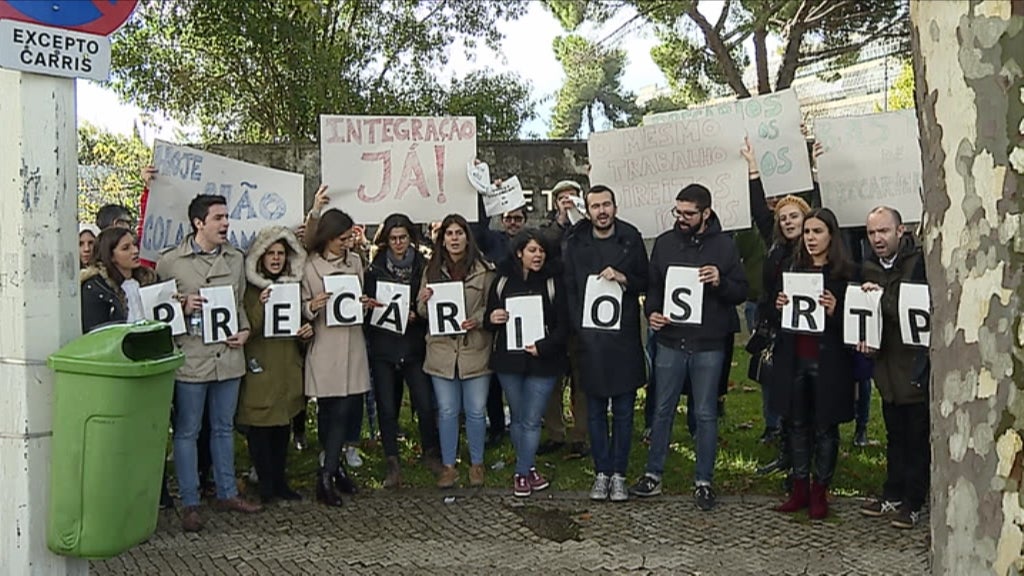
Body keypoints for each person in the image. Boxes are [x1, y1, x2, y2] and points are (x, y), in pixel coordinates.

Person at [633, 184, 748, 511]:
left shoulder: (725, 246)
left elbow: (742, 291)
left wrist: (720, 281)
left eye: (688, 214)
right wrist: (651, 312)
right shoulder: (665, 243)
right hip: (670, 340)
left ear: (706, 213)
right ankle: (653, 474)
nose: (681, 218)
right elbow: (654, 286)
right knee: (662, 409)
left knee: (705, 412)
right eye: (678, 212)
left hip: (708, 343)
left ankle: (704, 481)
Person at [156, 194, 260, 533]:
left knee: (223, 427)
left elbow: (240, 303)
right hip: (192, 358)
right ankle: (190, 502)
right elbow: (158, 311)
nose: (225, 223)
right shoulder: (171, 262)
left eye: (227, 217)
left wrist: (245, 331)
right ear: (199, 223)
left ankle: (227, 491)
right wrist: (182, 307)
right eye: (218, 218)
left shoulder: (235, 258)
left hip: (228, 357)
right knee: (187, 431)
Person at [564, 185, 649, 503]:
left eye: (606, 205)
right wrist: (579, 327)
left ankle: (620, 474)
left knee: (624, 411)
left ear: (615, 206)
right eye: (595, 206)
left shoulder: (631, 236)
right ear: (587, 209)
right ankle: (601, 472)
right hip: (590, 339)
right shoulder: (575, 241)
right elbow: (570, 287)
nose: (601, 211)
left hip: (623, 338)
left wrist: (625, 278)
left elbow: (646, 279)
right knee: (596, 411)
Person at [772, 208, 857, 520]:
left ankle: (820, 490)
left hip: (829, 361)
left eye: (817, 232)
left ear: (831, 235)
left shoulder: (845, 274)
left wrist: (838, 310)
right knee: (796, 423)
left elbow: (859, 324)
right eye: (807, 232)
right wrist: (779, 305)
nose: (810, 238)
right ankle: (799, 488)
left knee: (824, 426)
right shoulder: (793, 269)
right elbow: (776, 314)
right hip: (795, 358)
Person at [858, 206, 930, 529]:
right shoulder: (868, 267)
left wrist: (881, 298)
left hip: (914, 367)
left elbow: (913, 311)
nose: (877, 239)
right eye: (872, 233)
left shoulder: (920, 264)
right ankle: (893, 493)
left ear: (900, 231)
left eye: (883, 231)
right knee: (894, 435)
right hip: (885, 368)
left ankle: (913, 502)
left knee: (916, 439)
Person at [484, 229, 569, 497]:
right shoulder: (502, 281)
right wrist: (493, 318)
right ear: (519, 253)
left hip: (543, 361)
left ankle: (521, 473)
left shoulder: (554, 282)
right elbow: (488, 319)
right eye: (533, 250)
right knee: (519, 418)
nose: (538, 255)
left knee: (532, 420)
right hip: (509, 361)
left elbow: (564, 326)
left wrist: (542, 347)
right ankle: (529, 467)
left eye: (542, 250)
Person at [417, 214, 495, 489]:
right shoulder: (432, 269)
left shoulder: (484, 269)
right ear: (443, 239)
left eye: (459, 233)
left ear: (467, 236)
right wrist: (424, 301)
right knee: (448, 411)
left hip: (475, 349)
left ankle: (477, 464)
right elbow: (421, 310)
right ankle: (448, 466)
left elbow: (492, 305)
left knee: (475, 410)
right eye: (449, 233)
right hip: (441, 352)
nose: (454, 238)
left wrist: (478, 318)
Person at [364, 213, 442, 488]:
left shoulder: (423, 266)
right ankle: (392, 461)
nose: (398, 243)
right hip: (384, 346)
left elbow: (432, 304)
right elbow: (366, 306)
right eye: (393, 238)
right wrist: (368, 306)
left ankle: (431, 453)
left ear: (411, 238)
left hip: (413, 345)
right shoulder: (374, 268)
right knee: (386, 406)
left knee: (424, 402)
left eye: (403, 238)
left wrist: (418, 314)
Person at [301, 208, 372, 507]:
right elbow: (301, 305)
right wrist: (311, 306)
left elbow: (357, 299)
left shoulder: (355, 262)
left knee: (346, 408)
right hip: (326, 345)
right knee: (329, 410)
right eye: (342, 239)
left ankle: (330, 471)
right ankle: (329, 471)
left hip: (352, 343)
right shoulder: (310, 267)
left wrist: (365, 304)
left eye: (349, 238)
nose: (347, 243)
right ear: (328, 238)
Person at [238, 226, 311, 503]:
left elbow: (296, 326)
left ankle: (280, 482)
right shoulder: (250, 290)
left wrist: (306, 333)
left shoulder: (293, 286)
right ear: (260, 257)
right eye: (271, 253)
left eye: (281, 253)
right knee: (260, 429)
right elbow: (248, 327)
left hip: (287, 366)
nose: (277, 258)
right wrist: (262, 305)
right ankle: (266, 484)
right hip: (261, 365)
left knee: (283, 427)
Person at [537, 180, 589, 458]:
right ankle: (556, 433)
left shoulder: (588, 230)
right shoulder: (547, 230)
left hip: (582, 314)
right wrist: (561, 221)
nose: (567, 202)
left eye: (573, 197)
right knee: (552, 380)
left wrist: (580, 221)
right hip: (554, 314)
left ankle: (580, 435)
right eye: (562, 198)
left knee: (582, 381)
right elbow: (545, 247)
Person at [474, 197, 526, 448]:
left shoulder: (531, 241)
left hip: (523, 312)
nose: (513, 223)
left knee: (522, 373)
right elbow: (477, 230)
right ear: (501, 219)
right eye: (508, 218)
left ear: (525, 221)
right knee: (493, 373)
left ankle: (524, 423)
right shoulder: (493, 238)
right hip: (496, 308)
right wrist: (481, 196)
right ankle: (495, 426)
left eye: (518, 218)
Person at [80, 227, 157, 332]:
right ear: (110, 256)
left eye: (134, 245)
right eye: (126, 248)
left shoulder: (149, 280)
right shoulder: (96, 288)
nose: (135, 251)